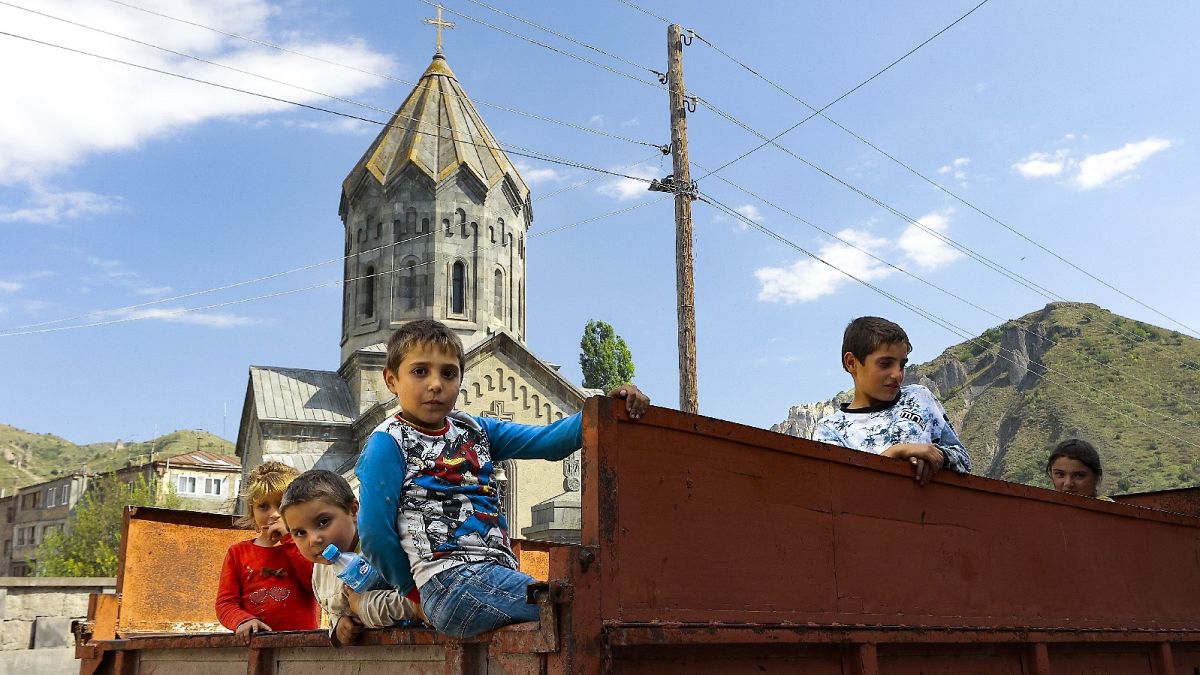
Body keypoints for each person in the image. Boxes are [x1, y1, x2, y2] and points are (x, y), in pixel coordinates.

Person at [356, 319, 650, 638]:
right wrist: (413, 593)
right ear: (391, 380)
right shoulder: (388, 441)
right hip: (450, 580)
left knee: (571, 608)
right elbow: (373, 532)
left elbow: (548, 441)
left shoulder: (474, 429)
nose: (436, 384)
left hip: (489, 577)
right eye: (420, 371)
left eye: (448, 373)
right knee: (577, 607)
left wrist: (604, 408)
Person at [814, 316, 972, 484]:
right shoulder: (830, 429)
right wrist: (896, 453)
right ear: (852, 363)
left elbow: (963, 460)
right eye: (885, 364)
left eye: (902, 365)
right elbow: (839, 488)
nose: (897, 374)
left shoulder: (919, 398)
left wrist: (934, 456)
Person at [279, 469, 427, 646]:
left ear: (353, 511)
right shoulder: (320, 569)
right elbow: (332, 609)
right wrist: (338, 624)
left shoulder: (384, 548)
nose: (314, 540)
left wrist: (362, 606)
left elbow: (417, 604)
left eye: (323, 522)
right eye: (300, 532)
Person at [215, 461, 319, 636]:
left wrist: (289, 538)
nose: (274, 514)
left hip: (302, 645)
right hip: (256, 645)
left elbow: (314, 586)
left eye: (281, 505)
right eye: (263, 506)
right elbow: (225, 603)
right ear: (251, 511)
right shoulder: (238, 553)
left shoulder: (307, 546)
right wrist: (243, 620)